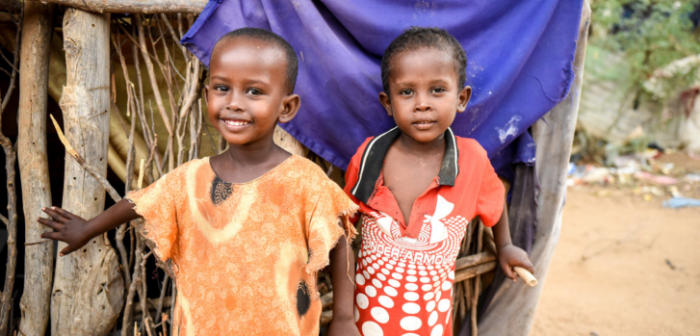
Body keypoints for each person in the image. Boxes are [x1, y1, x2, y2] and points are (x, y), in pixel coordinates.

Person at [38, 28, 361, 336]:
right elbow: (140, 202)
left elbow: (339, 240)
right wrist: (88, 228)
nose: (234, 102)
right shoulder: (190, 177)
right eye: (222, 88)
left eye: (254, 91)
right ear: (207, 95)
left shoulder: (303, 180)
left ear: (286, 107)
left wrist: (345, 318)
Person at [344, 27, 535, 336]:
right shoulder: (368, 157)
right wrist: (342, 317)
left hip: (431, 325)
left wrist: (506, 245)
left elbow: (494, 200)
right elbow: (342, 228)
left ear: (461, 98)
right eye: (406, 92)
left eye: (437, 90)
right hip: (363, 324)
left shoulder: (471, 161)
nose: (422, 104)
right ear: (387, 102)